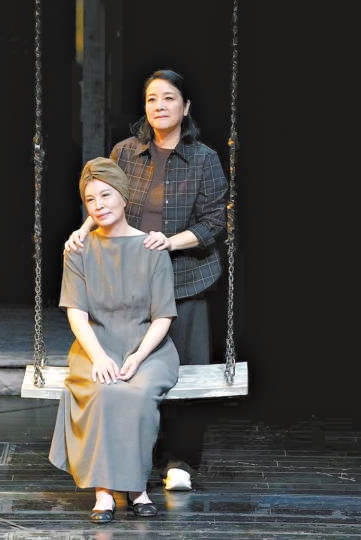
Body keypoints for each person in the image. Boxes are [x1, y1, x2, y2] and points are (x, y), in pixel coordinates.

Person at [65, 69, 229, 492]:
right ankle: (133, 457)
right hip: (131, 281)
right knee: (130, 368)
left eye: (169, 98)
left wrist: (170, 242)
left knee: (185, 374)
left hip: (187, 278)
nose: (160, 106)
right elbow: (104, 199)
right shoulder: (124, 152)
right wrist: (82, 231)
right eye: (152, 98)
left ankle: (180, 461)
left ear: (185, 107)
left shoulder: (204, 158)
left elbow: (215, 221)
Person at [49, 157, 180, 524]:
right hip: (97, 343)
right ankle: (104, 491)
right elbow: (76, 313)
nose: (99, 205)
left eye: (106, 195)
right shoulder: (79, 250)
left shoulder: (151, 249)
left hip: (148, 347)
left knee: (137, 394)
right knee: (102, 392)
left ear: (123, 197)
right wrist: (98, 357)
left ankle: (137, 488)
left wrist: (138, 356)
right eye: (90, 200)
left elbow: (163, 316)